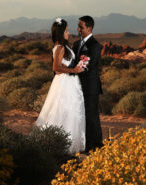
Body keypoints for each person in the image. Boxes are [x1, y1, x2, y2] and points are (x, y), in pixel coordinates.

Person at [35, 18, 86, 155]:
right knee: (63, 111)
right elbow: (56, 68)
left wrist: (76, 67)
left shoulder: (64, 46)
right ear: (61, 32)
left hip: (69, 82)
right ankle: (61, 145)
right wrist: (74, 70)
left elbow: (61, 66)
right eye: (67, 30)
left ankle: (68, 144)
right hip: (64, 83)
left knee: (71, 112)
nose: (68, 33)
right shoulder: (60, 47)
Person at [71, 15, 104, 153]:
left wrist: (73, 72)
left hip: (90, 87)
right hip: (77, 86)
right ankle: (85, 144)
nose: (78, 29)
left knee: (91, 116)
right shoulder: (76, 44)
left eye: (81, 27)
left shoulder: (95, 46)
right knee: (80, 115)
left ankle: (96, 145)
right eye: (78, 26)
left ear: (89, 28)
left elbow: (88, 65)